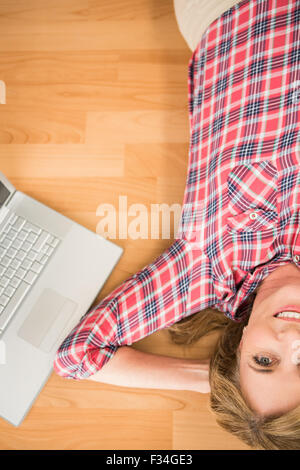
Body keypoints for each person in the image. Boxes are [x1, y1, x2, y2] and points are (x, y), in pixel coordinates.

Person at [53, 0, 300, 450]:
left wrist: (217, 381)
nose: (292, 339)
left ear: (240, 346)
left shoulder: (204, 269)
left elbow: (78, 356)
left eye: (265, 360)